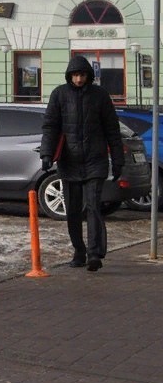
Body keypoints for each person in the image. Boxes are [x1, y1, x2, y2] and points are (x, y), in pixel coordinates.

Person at [40, 56, 122, 271]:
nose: (78, 79)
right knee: (73, 211)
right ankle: (79, 250)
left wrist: (118, 159)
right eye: (75, 75)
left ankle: (95, 254)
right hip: (69, 162)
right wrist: (47, 154)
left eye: (82, 75)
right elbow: (51, 127)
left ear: (88, 75)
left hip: (95, 161)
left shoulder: (100, 96)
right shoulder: (59, 94)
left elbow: (112, 129)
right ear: (69, 76)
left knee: (94, 207)